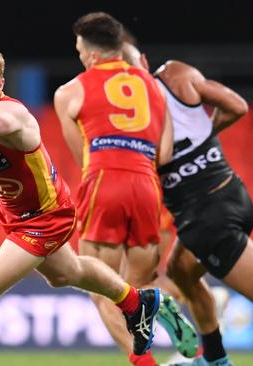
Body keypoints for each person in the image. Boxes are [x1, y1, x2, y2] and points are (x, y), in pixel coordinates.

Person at [0, 42, 165, 366]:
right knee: (67, 273)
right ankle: (137, 301)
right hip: (14, 215)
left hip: (48, 216)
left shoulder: (13, 114)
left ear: (0, 84)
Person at [53, 12, 197, 366]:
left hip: (104, 181)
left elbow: (83, 156)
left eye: (80, 51)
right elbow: (165, 153)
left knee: (103, 291)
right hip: (147, 185)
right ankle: (160, 300)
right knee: (139, 283)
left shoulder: (70, 91)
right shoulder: (153, 87)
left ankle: (145, 363)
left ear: (91, 55)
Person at [150, 54, 253, 365]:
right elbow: (238, 106)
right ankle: (215, 359)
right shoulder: (176, 75)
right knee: (181, 271)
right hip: (226, 195)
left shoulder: (135, 115)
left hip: (207, 217)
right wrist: (204, 137)